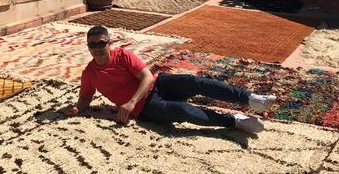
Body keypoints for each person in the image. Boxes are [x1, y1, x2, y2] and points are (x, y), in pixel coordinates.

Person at [62, 25, 276, 133]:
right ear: (88, 47)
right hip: (145, 108)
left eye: (101, 43)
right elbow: (85, 98)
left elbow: (146, 77)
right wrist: (76, 109)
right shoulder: (89, 74)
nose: (97, 48)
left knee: (195, 82)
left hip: (158, 85)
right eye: (92, 45)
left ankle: (250, 99)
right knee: (183, 111)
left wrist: (131, 101)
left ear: (109, 43)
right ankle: (235, 121)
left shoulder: (122, 55)